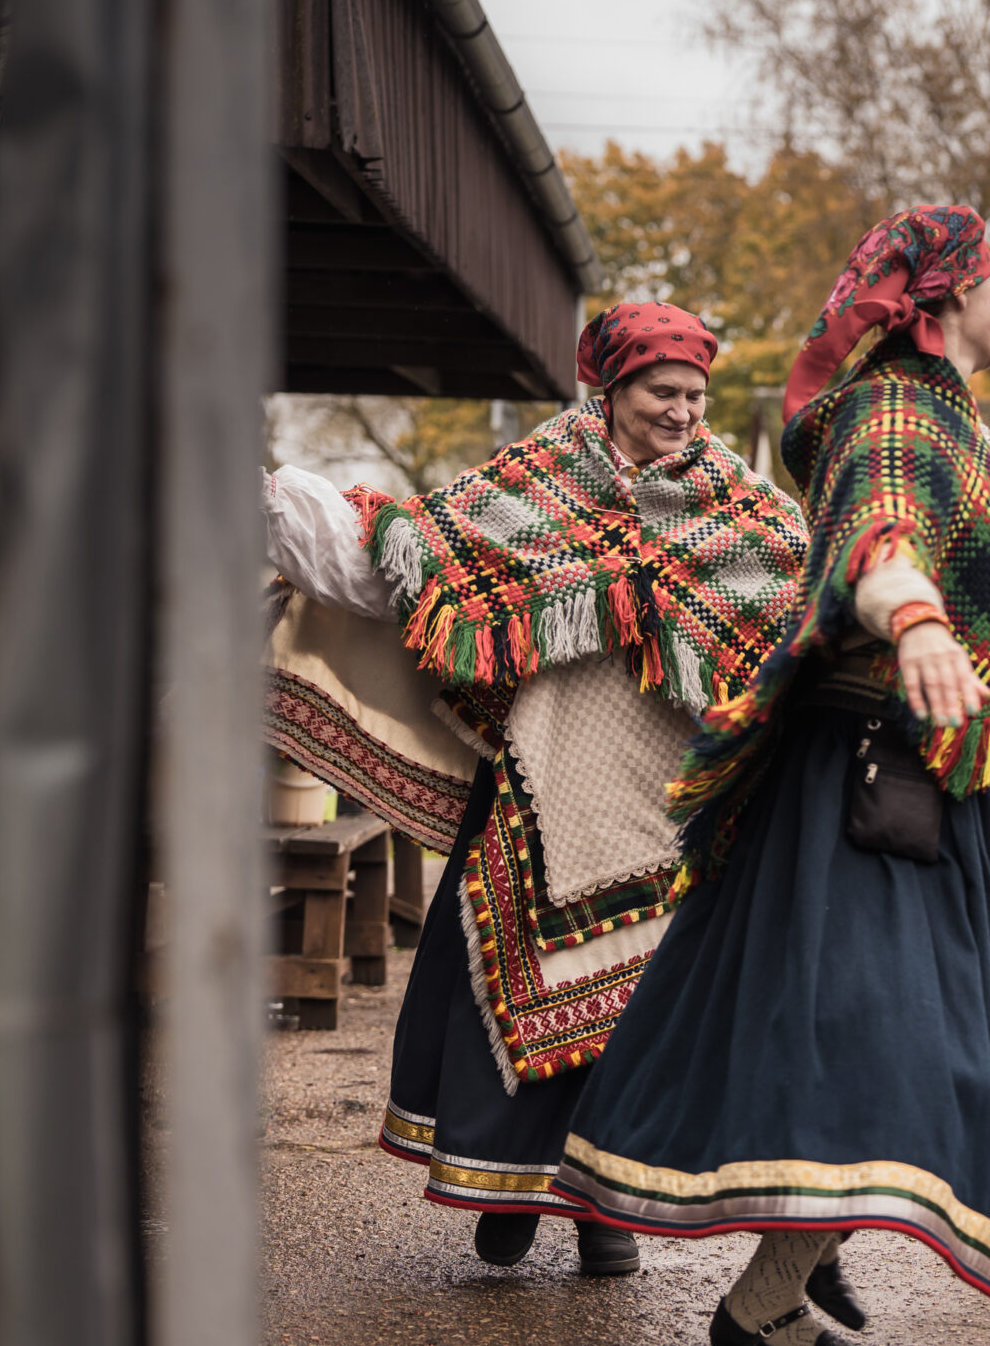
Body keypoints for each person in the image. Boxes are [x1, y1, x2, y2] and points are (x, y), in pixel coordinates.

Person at [550, 206, 990, 1346]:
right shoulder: (896, 408)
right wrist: (917, 620)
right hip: (882, 773)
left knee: (968, 1024)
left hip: (950, 768)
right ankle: (772, 1293)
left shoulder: (945, 413)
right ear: (948, 296)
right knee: (890, 1040)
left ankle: (805, 1258)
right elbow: (878, 534)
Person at [262, 301, 808, 1279]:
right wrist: (299, 513)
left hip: (662, 799)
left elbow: (803, 593)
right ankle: (503, 1186)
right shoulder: (537, 477)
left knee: (635, 998)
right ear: (614, 386)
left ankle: (604, 1209)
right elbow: (425, 555)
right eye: (663, 391)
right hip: (535, 781)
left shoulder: (738, 501)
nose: (683, 412)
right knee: (505, 973)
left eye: (695, 395)